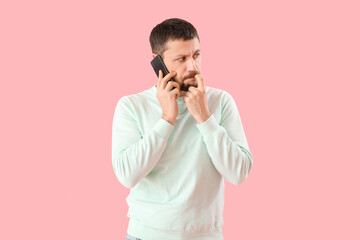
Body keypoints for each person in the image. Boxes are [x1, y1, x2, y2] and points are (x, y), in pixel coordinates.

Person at [112, 18, 253, 240]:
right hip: (146, 235)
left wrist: (205, 118)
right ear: (157, 61)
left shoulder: (220, 102)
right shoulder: (131, 106)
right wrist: (167, 119)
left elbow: (238, 173)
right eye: (181, 58)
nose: (192, 67)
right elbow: (127, 175)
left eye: (196, 55)